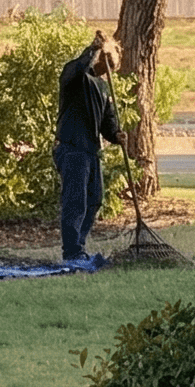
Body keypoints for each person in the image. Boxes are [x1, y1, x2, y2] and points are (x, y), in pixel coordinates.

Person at [54, 29, 122, 262]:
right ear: (100, 60)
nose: (108, 71)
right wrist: (94, 48)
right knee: (75, 201)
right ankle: (71, 251)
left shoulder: (103, 88)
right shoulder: (75, 76)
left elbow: (107, 123)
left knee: (94, 199)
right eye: (107, 64)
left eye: (111, 68)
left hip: (91, 151)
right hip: (72, 147)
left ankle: (79, 246)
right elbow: (79, 66)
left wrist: (116, 135)